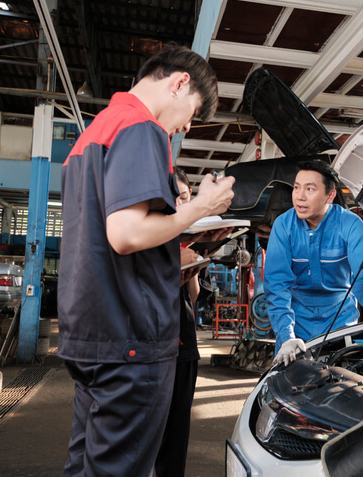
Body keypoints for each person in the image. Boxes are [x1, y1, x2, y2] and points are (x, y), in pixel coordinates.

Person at [57, 44, 235, 476]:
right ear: (179, 83)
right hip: (130, 338)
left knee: (88, 466)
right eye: (192, 112)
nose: (186, 126)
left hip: (92, 333)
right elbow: (127, 233)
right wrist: (200, 207)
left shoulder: (94, 132)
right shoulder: (141, 128)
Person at [264, 160, 363, 367]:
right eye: (296, 188)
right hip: (296, 324)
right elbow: (277, 285)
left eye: (310, 189)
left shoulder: (350, 225)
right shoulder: (283, 226)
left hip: (340, 324)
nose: (299, 196)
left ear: (329, 196)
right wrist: (286, 335)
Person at [154, 168, 214, 477]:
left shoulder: (192, 243)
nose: (180, 203)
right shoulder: (146, 238)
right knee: (148, 429)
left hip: (184, 344)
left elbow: (193, 299)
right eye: (173, 197)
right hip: (151, 346)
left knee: (177, 430)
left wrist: (189, 270)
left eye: (185, 197)